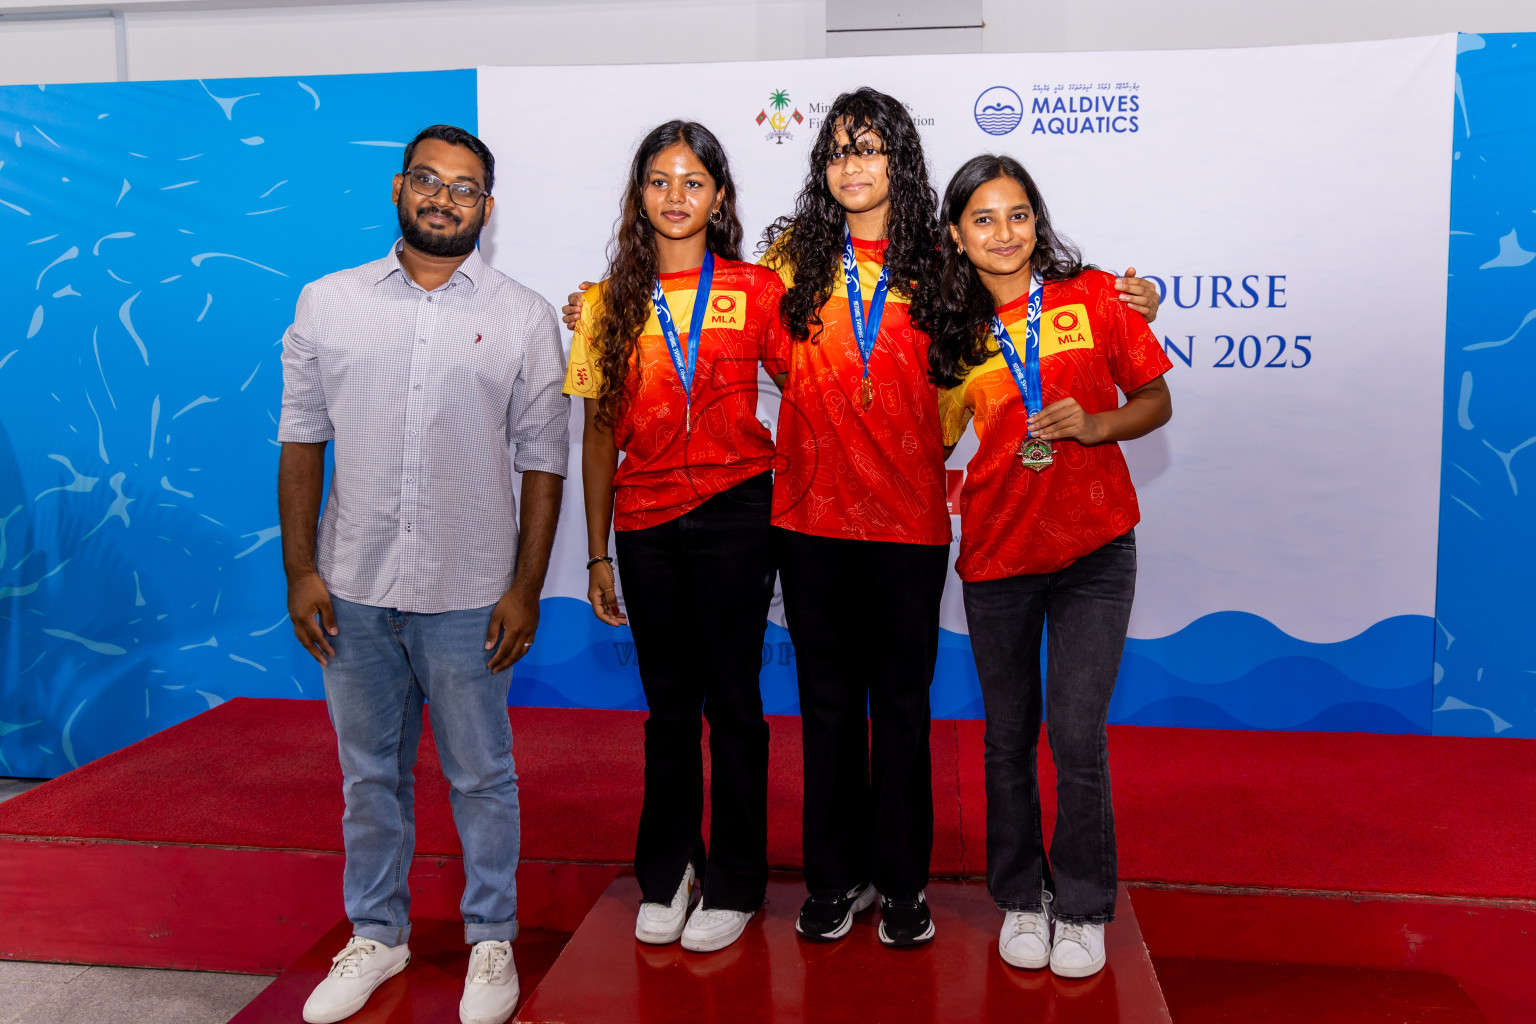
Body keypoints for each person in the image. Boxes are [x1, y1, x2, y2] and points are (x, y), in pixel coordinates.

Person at [561, 89, 1160, 950]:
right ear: (822, 167)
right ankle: (837, 879)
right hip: (806, 523)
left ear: (899, 161)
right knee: (829, 710)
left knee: (906, 714)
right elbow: (694, 301)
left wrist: (1127, 298)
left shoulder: (943, 263)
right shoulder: (787, 263)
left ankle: (905, 884)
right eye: (839, 150)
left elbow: (1028, 294)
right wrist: (601, 307)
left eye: (871, 148)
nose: (853, 164)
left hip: (912, 522)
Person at [277, 124, 568, 1024]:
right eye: (430, 182)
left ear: (488, 206)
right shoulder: (327, 303)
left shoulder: (523, 314)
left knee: (481, 777)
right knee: (370, 777)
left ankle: (491, 941)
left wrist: (524, 587)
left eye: (466, 187)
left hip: (472, 592)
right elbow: (300, 443)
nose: (445, 199)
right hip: (352, 587)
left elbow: (544, 459)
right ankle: (379, 934)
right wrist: (300, 572)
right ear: (400, 189)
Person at [917, 154, 1173, 978]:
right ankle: (1023, 899)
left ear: (1038, 219)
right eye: (983, 218)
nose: (1004, 232)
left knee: (1076, 734)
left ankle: (1086, 906)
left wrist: (1097, 425)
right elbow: (931, 438)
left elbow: (1156, 399)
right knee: (1007, 739)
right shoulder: (948, 336)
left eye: (1018, 214)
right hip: (996, 554)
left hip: (1096, 550)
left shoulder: (1095, 297)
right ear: (956, 235)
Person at [564, 120, 785, 954]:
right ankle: (669, 872)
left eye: (694, 181)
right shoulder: (603, 304)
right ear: (638, 196)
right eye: (660, 180)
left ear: (719, 196)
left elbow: (814, 385)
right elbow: (594, 432)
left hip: (737, 508)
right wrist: (596, 551)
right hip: (645, 519)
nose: (677, 196)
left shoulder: (759, 290)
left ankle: (734, 881)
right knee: (668, 712)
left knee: (735, 706)